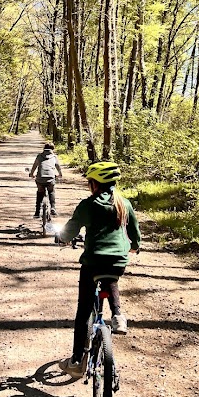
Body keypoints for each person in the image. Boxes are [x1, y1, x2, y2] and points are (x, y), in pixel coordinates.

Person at [56, 161, 140, 378]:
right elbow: (135, 235)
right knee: (110, 277)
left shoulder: (88, 205)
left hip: (93, 262)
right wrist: (134, 247)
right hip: (118, 262)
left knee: (83, 312)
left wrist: (62, 238)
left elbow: (69, 231)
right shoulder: (125, 204)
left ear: (94, 184)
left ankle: (76, 362)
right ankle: (118, 315)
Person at [29, 142, 63, 218]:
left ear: (44, 148)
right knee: (51, 191)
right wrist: (60, 174)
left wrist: (31, 174)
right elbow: (58, 167)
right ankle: (53, 208)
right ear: (53, 149)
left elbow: (34, 166)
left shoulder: (39, 156)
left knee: (40, 192)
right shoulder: (54, 157)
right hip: (50, 178)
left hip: (40, 178)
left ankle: (37, 212)